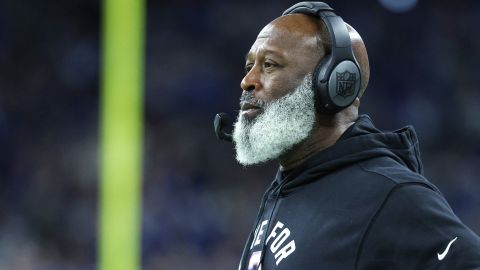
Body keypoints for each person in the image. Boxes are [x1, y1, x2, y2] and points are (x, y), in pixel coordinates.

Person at [227, 2, 480, 270]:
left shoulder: (392, 195)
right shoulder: (290, 187)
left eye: (269, 65)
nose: (247, 80)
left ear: (335, 83)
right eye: (249, 66)